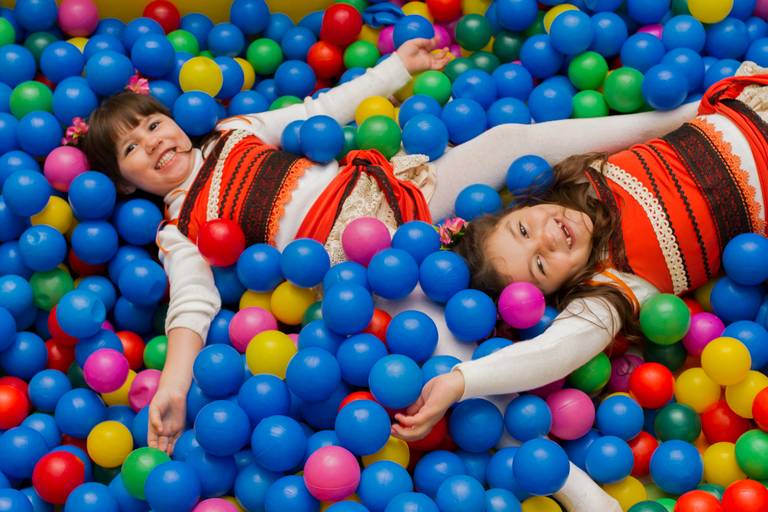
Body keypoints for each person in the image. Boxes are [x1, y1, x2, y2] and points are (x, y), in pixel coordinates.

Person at [80, 34, 714, 511]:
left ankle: (674, 119)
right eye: (133, 148)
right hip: (364, 262)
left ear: (173, 118)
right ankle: (574, 486)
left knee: (504, 140)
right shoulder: (179, 226)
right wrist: (175, 378)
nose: (154, 142)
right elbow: (191, 304)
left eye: (153, 123)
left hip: (395, 194)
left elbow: (320, 106)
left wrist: (392, 70)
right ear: (125, 180)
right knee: (438, 357)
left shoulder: (235, 130)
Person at [390, 61, 768, 460]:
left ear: (524, 205)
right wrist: (461, 381)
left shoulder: (585, 178)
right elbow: (556, 352)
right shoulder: (611, 284)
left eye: (523, 229)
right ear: (557, 293)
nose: (548, 238)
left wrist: (694, 111)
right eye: (540, 264)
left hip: (748, 109)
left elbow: (624, 131)